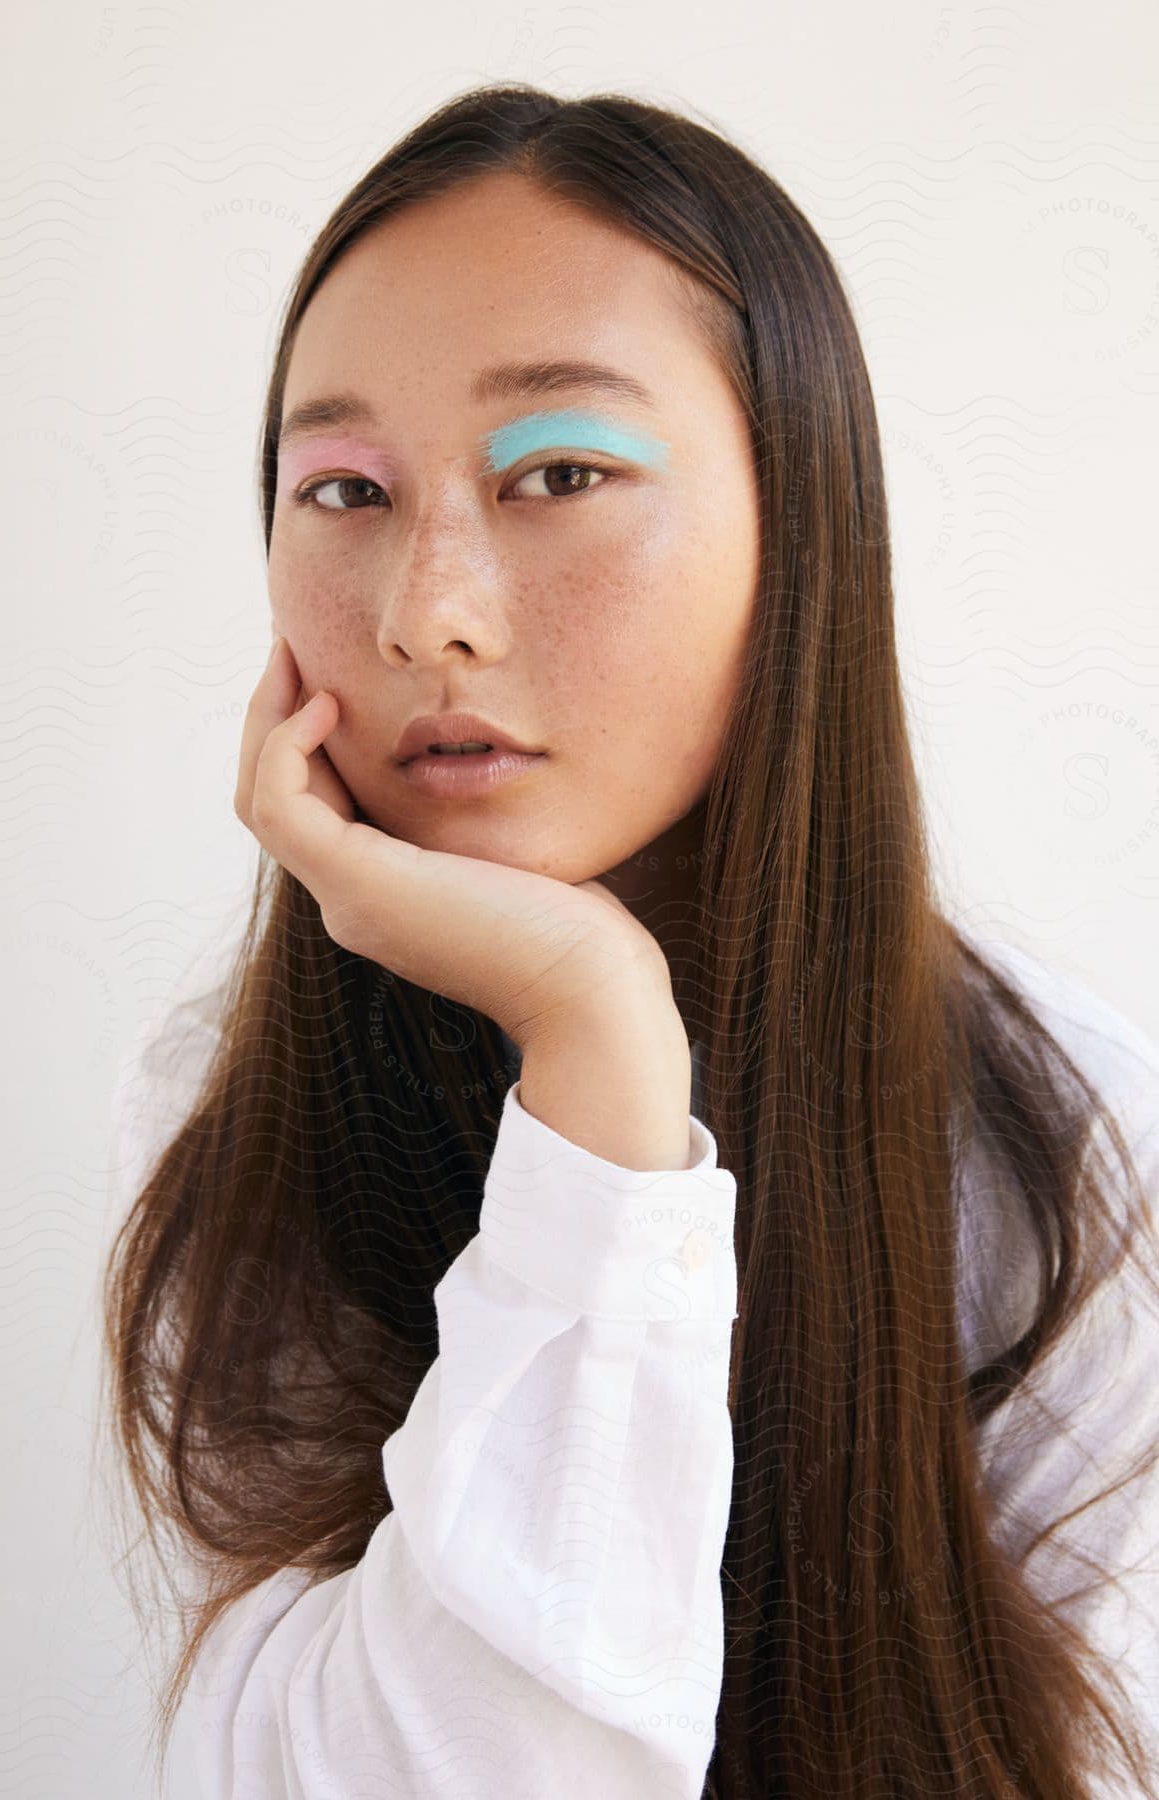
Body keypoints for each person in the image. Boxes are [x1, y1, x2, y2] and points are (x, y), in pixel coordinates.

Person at [100, 85, 1159, 1799]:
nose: (426, 606)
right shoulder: (242, 1122)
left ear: (801, 528)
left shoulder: (1069, 1158)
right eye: (346, 488)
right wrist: (596, 1051)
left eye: (562, 472)